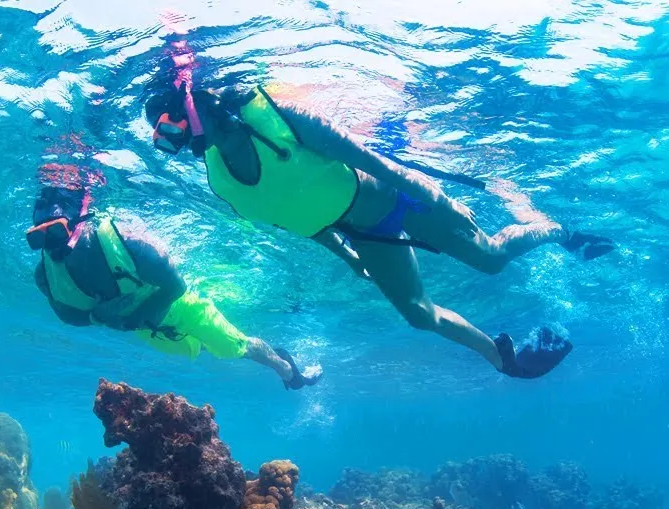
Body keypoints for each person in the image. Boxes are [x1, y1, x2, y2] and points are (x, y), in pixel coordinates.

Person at [144, 64, 616, 379]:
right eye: (162, 136)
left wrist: (442, 201)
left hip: (402, 200)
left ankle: (558, 231)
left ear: (193, 103)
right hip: (366, 234)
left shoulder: (278, 117)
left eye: (169, 122)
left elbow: (378, 163)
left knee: (490, 260)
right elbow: (301, 224)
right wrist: (349, 258)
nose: (173, 139)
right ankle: (501, 357)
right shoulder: (222, 183)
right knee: (417, 314)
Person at [26, 139, 321, 390]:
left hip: (181, 309)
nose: (50, 246)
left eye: (55, 231)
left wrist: (124, 319)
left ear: (81, 220)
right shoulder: (46, 273)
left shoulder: (124, 241)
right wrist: (99, 318)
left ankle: (287, 370)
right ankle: (220, 342)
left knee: (236, 347)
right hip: (149, 328)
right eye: (38, 238)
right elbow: (68, 315)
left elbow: (175, 286)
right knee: (198, 346)